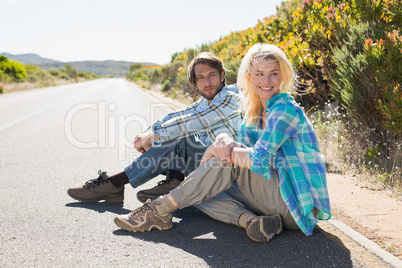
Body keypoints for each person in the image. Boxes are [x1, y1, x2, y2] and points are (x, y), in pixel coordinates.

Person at [113, 43, 331, 243]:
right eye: (259, 74)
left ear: (282, 76)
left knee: (224, 162)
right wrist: (220, 142)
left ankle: (159, 209)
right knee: (198, 189)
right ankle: (250, 221)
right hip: (273, 199)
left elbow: (259, 160)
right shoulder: (254, 110)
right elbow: (232, 140)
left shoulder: (284, 109)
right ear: (249, 76)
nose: (266, 81)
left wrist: (221, 148)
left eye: (273, 74)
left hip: (296, 207)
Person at [67, 52, 242, 204]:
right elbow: (175, 116)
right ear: (194, 82)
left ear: (222, 75)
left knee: (179, 134)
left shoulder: (230, 98)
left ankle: (113, 184)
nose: (207, 82)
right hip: (208, 164)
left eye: (212, 75)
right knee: (172, 134)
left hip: (229, 173)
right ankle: (174, 181)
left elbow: (189, 123)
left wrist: (152, 136)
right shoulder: (205, 101)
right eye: (200, 78)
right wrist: (148, 133)